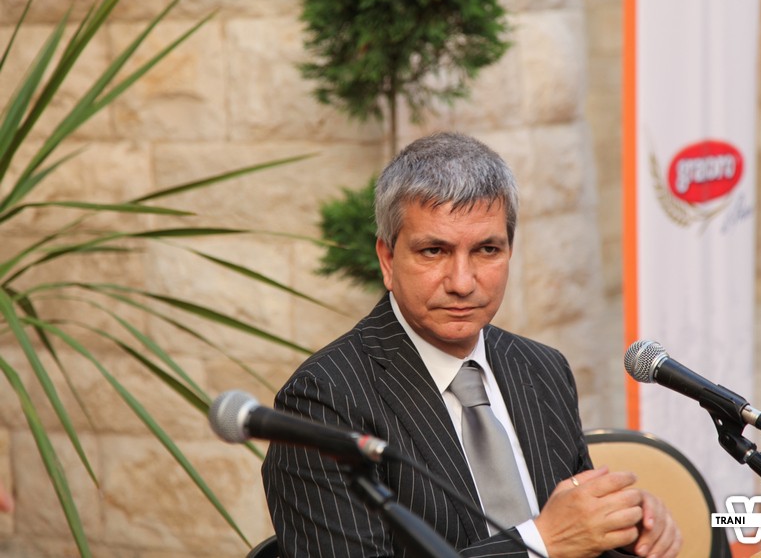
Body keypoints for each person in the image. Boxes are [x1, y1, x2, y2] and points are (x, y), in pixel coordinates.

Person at [262, 132, 681, 557]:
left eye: (486, 249)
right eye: (434, 251)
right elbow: (557, 538)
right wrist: (540, 543)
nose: (462, 283)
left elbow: (577, 535)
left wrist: (624, 529)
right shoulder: (322, 402)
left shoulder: (542, 368)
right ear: (387, 260)